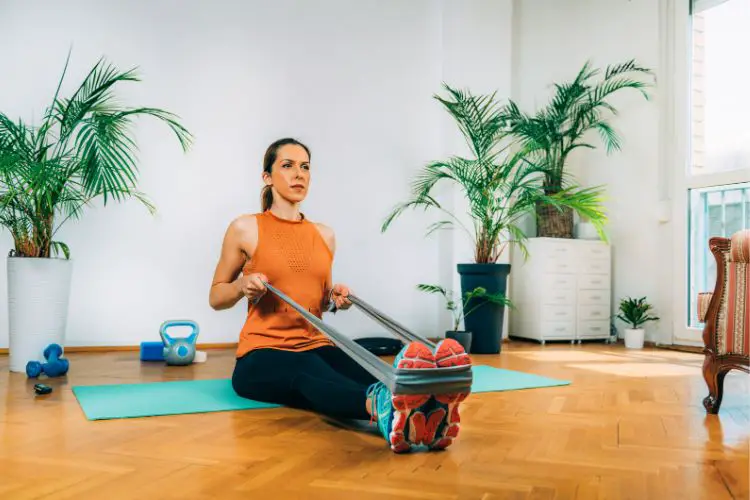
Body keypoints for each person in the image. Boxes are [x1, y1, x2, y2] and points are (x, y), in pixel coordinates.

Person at [208, 138, 471, 453]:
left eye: (305, 167)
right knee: (309, 375)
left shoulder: (324, 235)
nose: (299, 174)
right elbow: (216, 295)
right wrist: (241, 286)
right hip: (262, 354)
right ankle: (384, 411)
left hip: (316, 343)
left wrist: (335, 299)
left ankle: (429, 412)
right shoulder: (245, 228)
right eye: (287, 165)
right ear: (267, 177)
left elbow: (317, 302)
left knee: (368, 371)